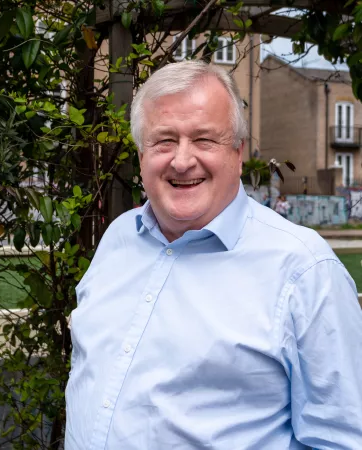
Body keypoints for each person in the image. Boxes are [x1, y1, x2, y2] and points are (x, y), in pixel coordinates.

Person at [65, 61, 362, 449]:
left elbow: (341, 437)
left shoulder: (304, 270)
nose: (182, 160)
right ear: (141, 155)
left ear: (238, 154)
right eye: (164, 140)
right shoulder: (119, 238)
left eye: (204, 139)